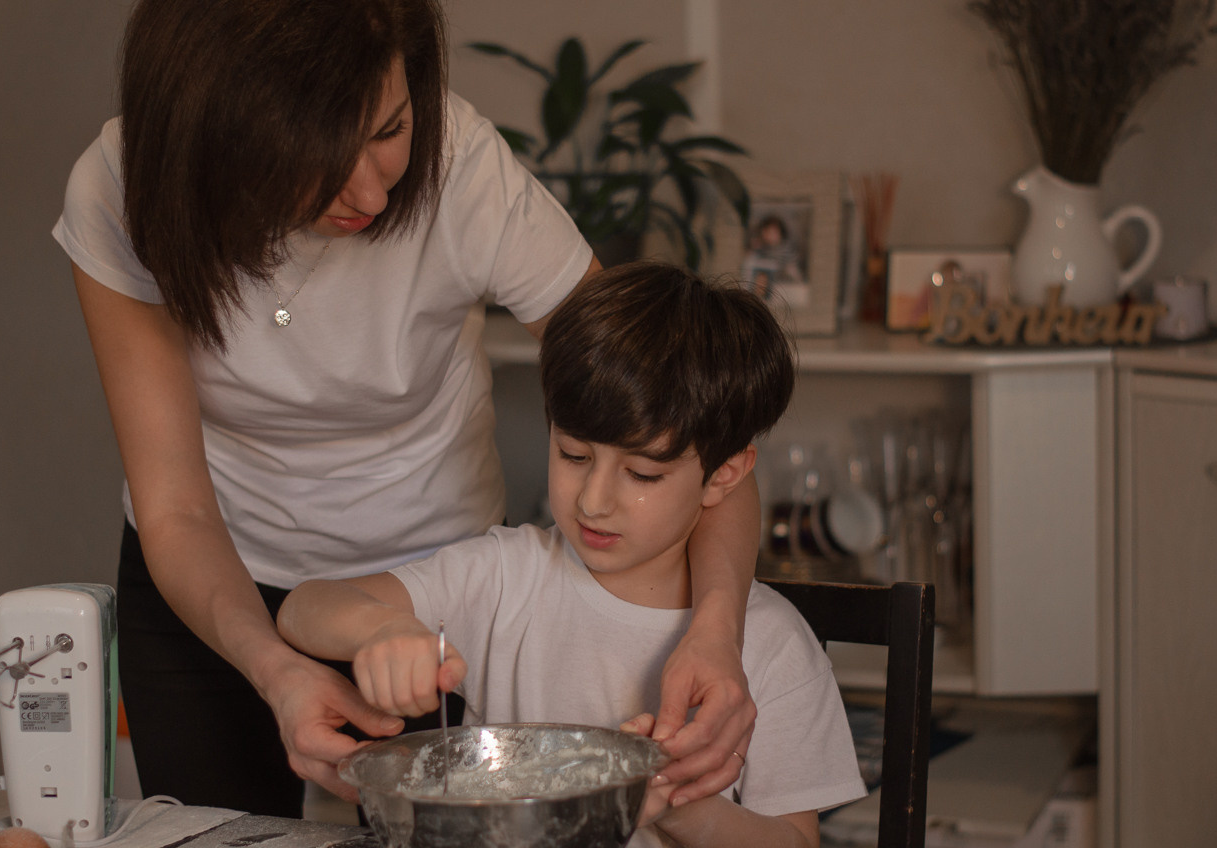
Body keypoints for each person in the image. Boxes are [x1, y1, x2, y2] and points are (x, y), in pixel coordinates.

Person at [53, 0, 759, 818]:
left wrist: (716, 632)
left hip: (429, 599)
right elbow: (175, 508)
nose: (372, 190)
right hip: (209, 583)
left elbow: (684, 422)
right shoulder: (126, 189)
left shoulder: (464, 170)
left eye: (390, 129)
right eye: (317, 161)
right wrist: (276, 669)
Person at [277, 262, 868, 848]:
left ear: (724, 476)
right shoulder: (505, 577)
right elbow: (304, 607)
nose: (593, 501)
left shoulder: (771, 646)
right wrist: (379, 628)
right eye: (573, 455)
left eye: (642, 473)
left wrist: (678, 804)